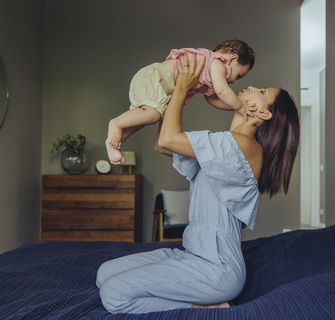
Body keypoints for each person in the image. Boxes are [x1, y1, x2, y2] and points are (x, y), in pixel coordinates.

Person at [96, 54, 300, 314]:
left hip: (217, 268)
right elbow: (161, 144)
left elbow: (169, 139)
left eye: (261, 91)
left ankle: (206, 306)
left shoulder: (248, 147)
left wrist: (182, 86)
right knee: (105, 273)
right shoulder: (223, 145)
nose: (249, 87)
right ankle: (204, 300)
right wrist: (175, 90)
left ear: (263, 113)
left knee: (114, 294)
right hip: (190, 255)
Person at [106, 38, 256, 164]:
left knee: (144, 118)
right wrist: (240, 105)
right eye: (238, 75)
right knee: (152, 115)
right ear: (233, 58)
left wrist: (235, 108)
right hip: (156, 78)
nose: (235, 81)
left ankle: (114, 141)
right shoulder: (216, 62)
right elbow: (223, 92)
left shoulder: (210, 76)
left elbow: (214, 100)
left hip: (160, 86)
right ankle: (116, 124)